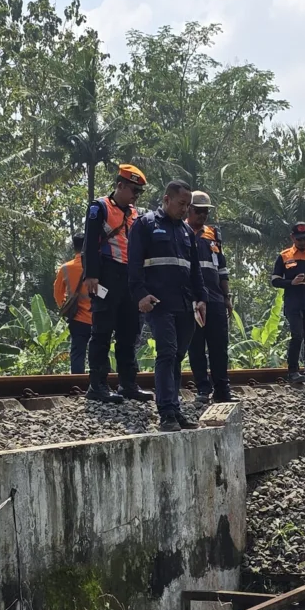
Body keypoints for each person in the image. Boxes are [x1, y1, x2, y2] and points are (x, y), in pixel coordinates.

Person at [127, 180, 206, 431]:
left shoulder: (186, 232)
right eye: (182, 204)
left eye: (188, 205)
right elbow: (134, 265)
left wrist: (201, 297)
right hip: (159, 302)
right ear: (166, 199)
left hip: (184, 304)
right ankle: (167, 414)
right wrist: (140, 294)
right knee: (167, 352)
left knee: (177, 356)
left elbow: (195, 271)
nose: (185, 210)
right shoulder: (146, 224)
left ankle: (175, 408)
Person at [83, 164, 150, 404]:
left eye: (139, 192)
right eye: (133, 190)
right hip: (107, 274)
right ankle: (98, 385)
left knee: (129, 333)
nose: (135, 196)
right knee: (102, 331)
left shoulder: (136, 214)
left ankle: (128, 384)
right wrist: (91, 275)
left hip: (129, 278)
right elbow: (90, 243)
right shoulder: (99, 207)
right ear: (120, 185)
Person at [186, 189, 233, 402]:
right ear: (188, 209)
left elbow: (221, 268)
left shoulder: (214, 234)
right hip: (193, 300)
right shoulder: (180, 231)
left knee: (219, 346)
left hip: (215, 299)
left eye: (205, 212)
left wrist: (227, 296)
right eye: (198, 211)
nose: (202, 215)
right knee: (196, 346)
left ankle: (222, 390)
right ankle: (203, 389)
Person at [270, 221, 305, 391]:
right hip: (293, 302)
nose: (303, 243)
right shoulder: (284, 256)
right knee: (297, 335)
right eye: (300, 239)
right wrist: (291, 282)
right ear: (293, 237)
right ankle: (293, 371)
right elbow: (275, 280)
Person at [52, 232, 92, 374]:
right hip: (97, 317)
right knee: (98, 352)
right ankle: (99, 384)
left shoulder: (65, 268)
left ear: (73, 247)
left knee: (77, 352)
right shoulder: (97, 267)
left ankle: (78, 383)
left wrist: (66, 306)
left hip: (77, 318)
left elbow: (57, 294)